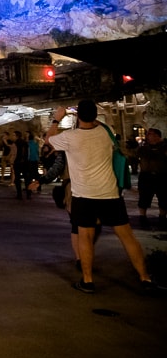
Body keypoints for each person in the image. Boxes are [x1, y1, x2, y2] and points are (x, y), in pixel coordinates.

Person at [47, 100, 156, 294]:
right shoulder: (105, 134)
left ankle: (88, 281)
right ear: (96, 116)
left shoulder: (71, 137)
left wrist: (57, 120)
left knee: (85, 237)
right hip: (109, 193)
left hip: (84, 194)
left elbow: (49, 139)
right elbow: (100, 125)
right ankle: (145, 278)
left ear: (78, 116)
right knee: (127, 237)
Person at [136, 128, 167, 230]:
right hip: (146, 176)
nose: (149, 136)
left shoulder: (164, 147)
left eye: (151, 134)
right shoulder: (144, 148)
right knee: (144, 197)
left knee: (163, 198)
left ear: (157, 136)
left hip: (161, 176)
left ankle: (162, 217)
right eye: (148, 134)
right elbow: (134, 154)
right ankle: (142, 217)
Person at [13, 130, 28, 199]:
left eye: (13, 135)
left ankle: (19, 194)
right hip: (25, 162)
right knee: (26, 178)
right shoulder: (25, 142)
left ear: (16, 136)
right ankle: (28, 193)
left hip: (18, 162)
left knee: (17, 178)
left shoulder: (16, 143)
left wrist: (12, 160)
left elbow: (15, 153)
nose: (12, 137)